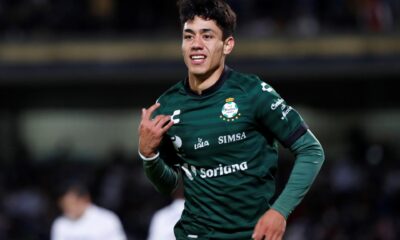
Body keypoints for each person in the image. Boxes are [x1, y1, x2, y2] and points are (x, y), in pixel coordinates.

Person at [138, 0, 325, 239]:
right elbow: (170, 185)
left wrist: (280, 210)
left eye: (207, 36)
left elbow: (311, 150)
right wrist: (148, 155)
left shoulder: (253, 93)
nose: (196, 45)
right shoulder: (167, 105)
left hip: (253, 234)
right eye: (188, 36)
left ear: (227, 45)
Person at [50, 182, 127, 240]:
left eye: (71, 204)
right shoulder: (60, 223)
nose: (68, 209)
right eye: (64, 206)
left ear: (85, 200)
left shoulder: (107, 219)